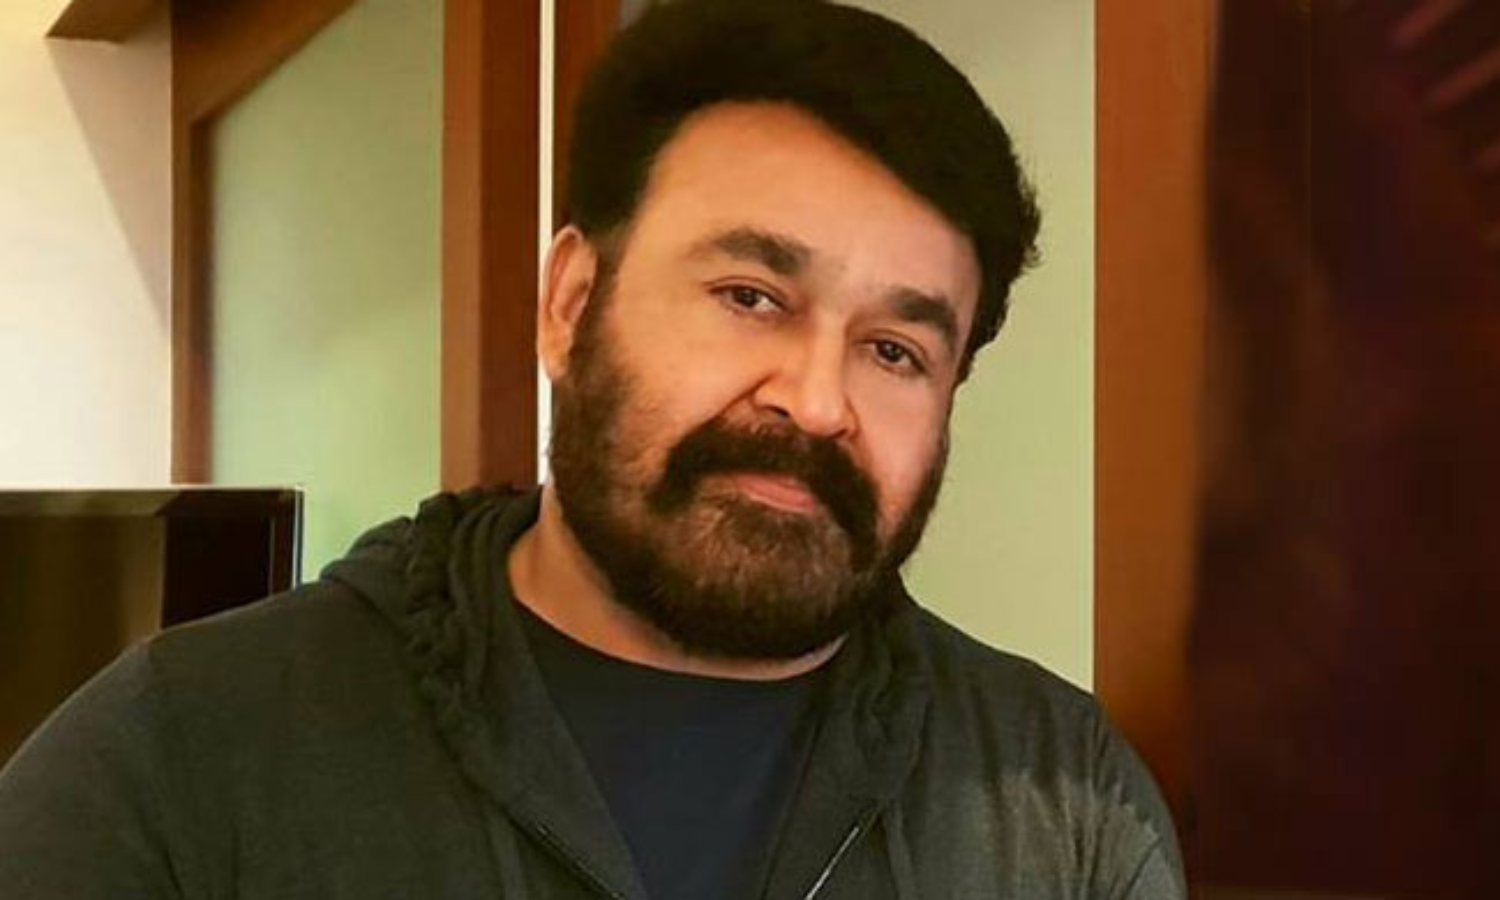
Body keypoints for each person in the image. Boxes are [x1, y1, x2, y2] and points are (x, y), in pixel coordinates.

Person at [0, 1, 1184, 897]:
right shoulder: (181, 760)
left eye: (894, 351)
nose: (818, 401)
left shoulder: (1060, 807)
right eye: (750, 297)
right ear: (570, 303)